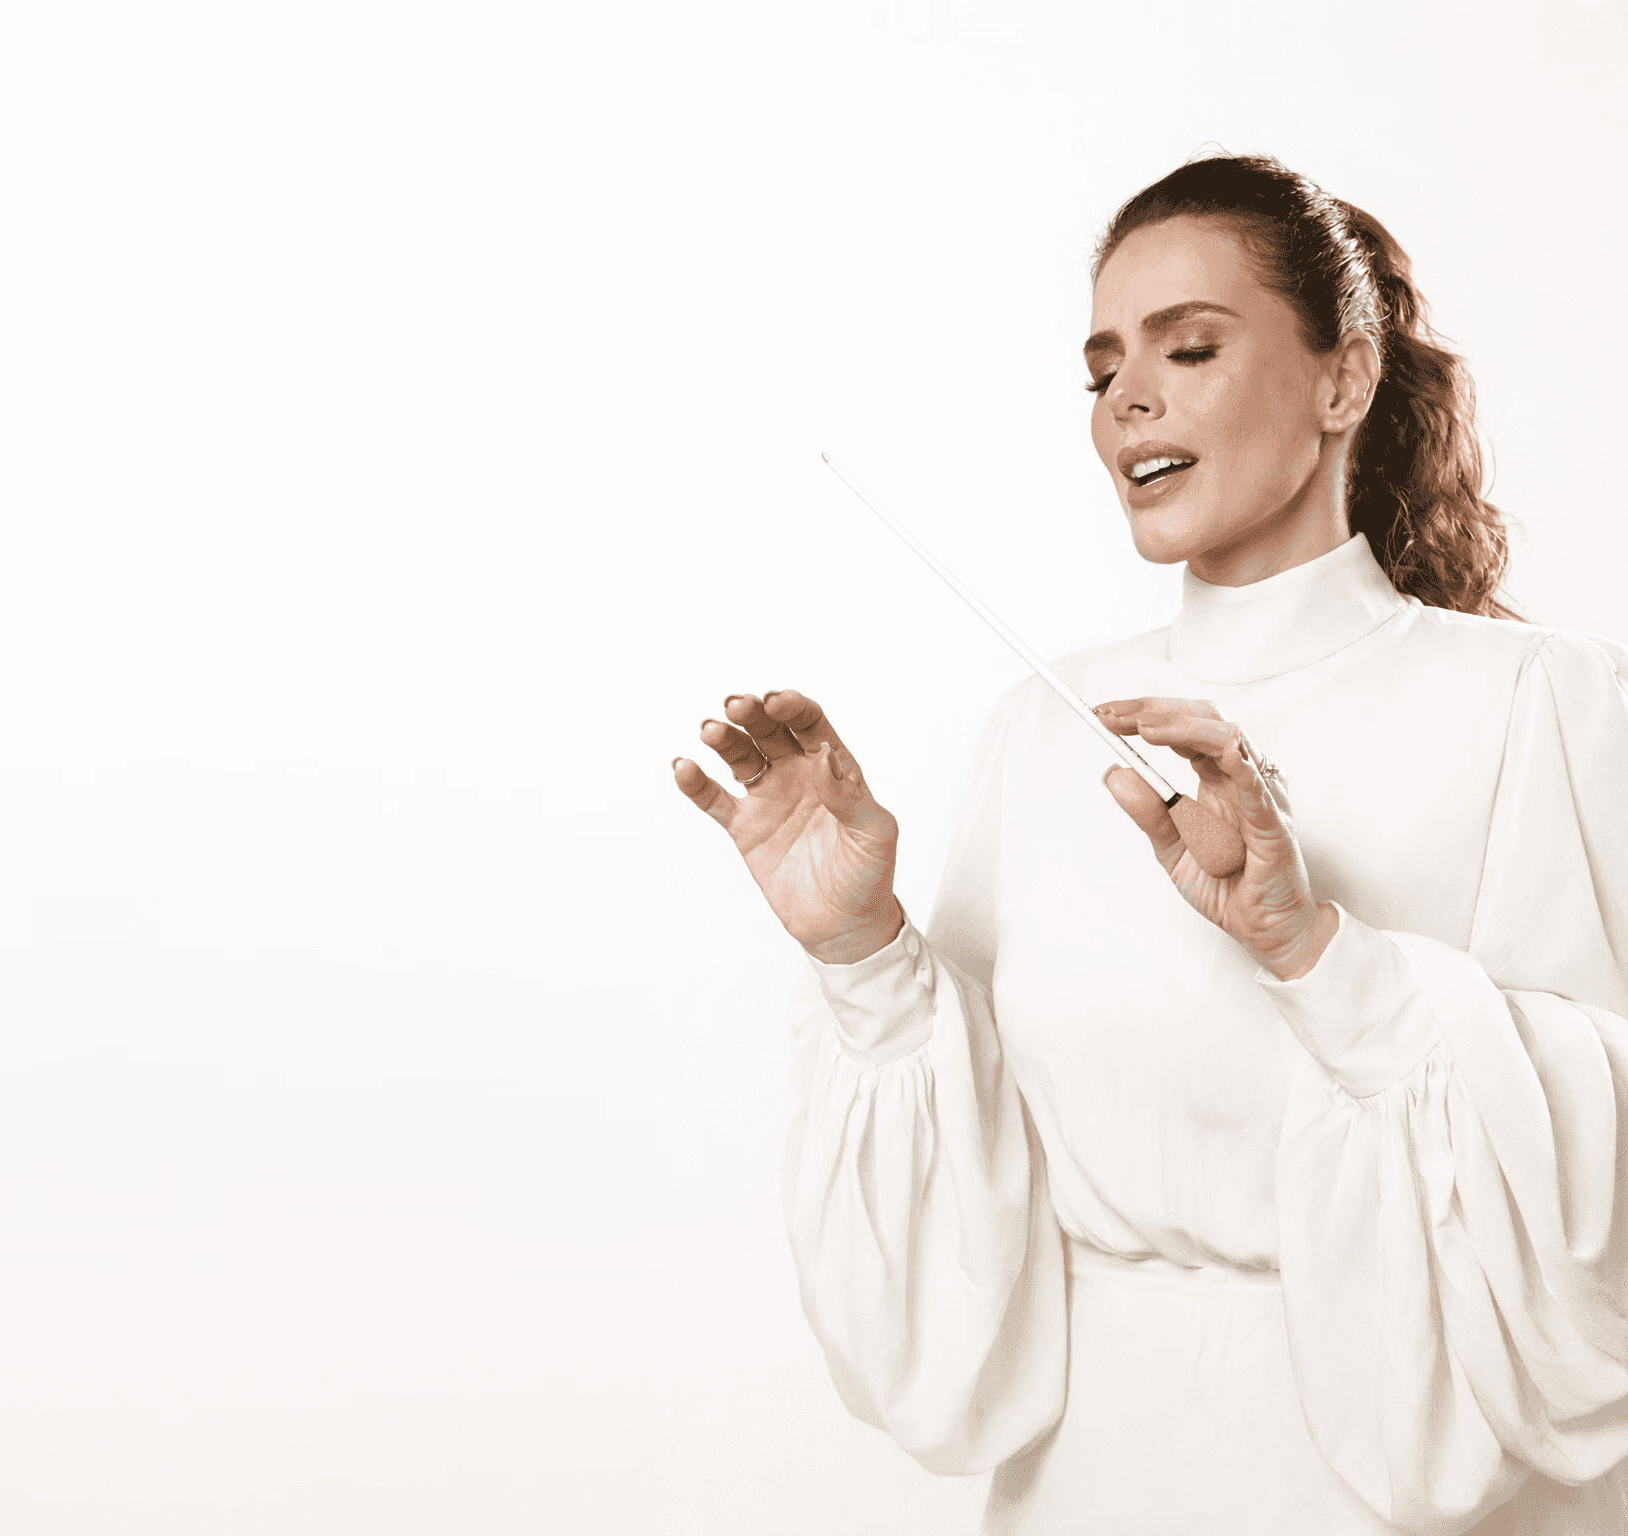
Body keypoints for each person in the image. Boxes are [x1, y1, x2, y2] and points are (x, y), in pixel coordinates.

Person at [670, 154, 1628, 1535]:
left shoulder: (1542, 701)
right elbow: (972, 1233)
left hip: (1408, 1493)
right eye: (1102, 365)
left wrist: (1312, 948)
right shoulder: (1043, 725)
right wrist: (864, 954)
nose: (1127, 398)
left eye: (1189, 348)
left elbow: (1600, 1165)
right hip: (1089, 1484)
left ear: (1343, 381)